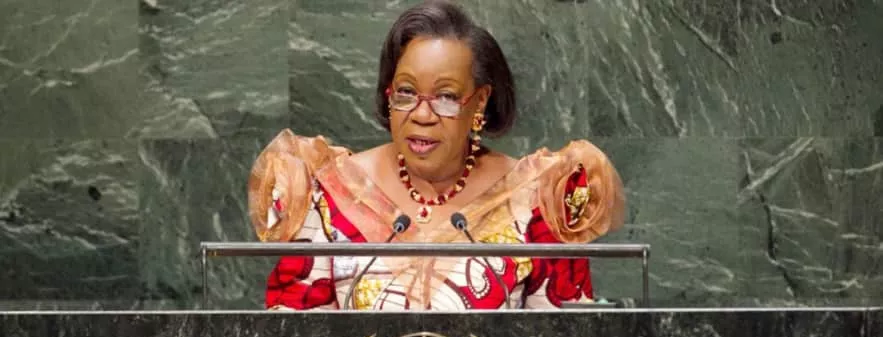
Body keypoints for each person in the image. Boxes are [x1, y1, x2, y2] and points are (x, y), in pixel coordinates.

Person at [247, 0, 625, 311]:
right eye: (406, 92)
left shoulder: (536, 201)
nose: (422, 115)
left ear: (480, 102)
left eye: (445, 97)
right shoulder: (332, 193)